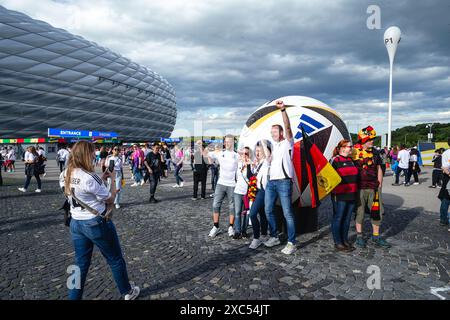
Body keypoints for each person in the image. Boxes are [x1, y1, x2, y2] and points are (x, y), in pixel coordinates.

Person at [59, 141, 140, 300]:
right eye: (92, 153)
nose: (94, 156)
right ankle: (127, 292)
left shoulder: (65, 174)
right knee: (115, 259)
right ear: (86, 155)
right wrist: (113, 184)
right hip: (95, 223)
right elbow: (109, 199)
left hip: (76, 222)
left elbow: (84, 191)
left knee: (79, 264)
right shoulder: (89, 177)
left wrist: (101, 179)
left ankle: (73, 296)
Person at [264, 100, 297, 255]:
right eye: (272, 133)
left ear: (282, 133)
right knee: (268, 209)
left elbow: (288, 126)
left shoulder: (288, 143)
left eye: (275, 132)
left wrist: (283, 110)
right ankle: (275, 235)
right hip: (272, 182)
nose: (273, 134)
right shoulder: (274, 145)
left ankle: (291, 242)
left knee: (287, 213)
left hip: (284, 182)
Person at [352, 126, 391, 249]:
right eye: (370, 139)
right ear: (363, 140)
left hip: (374, 188)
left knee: (377, 213)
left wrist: (380, 184)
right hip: (359, 188)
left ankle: (376, 236)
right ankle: (359, 237)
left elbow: (379, 168)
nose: (372, 141)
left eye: (372, 139)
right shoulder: (353, 152)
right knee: (360, 213)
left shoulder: (375, 152)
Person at [208, 135, 239, 238]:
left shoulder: (237, 155)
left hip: (232, 184)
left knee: (232, 206)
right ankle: (216, 227)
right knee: (215, 205)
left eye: (230, 141)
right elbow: (207, 154)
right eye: (226, 141)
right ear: (224, 143)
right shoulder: (220, 153)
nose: (228, 143)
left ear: (233, 142)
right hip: (221, 183)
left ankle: (231, 227)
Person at [330, 140, 358, 253]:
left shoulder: (351, 160)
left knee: (347, 219)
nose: (351, 148)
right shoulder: (335, 160)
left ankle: (345, 240)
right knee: (339, 218)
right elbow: (329, 178)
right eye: (349, 147)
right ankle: (338, 242)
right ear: (342, 148)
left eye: (351, 147)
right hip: (340, 195)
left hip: (352, 194)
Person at [248, 140, 271, 249]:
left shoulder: (267, 161)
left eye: (259, 151)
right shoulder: (258, 163)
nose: (257, 153)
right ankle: (264, 235)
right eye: (256, 151)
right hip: (257, 190)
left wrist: (263, 142)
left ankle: (256, 238)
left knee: (252, 214)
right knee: (262, 214)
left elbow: (268, 155)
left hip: (263, 190)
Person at [233, 146, 252, 239]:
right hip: (237, 191)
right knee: (237, 212)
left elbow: (251, 177)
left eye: (246, 153)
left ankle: (244, 231)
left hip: (247, 192)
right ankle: (237, 231)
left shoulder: (251, 165)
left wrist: (248, 165)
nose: (244, 155)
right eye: (243, 153)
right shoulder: (238, 163)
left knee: (245, 213)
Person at [438, 138, 450, 228]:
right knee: (445, 199)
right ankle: (443, 219)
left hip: (448, 177)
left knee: (445, 199)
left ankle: (443, 219)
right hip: (448, 178)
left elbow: (444, 168)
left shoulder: (445, 153)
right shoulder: (446, 153)